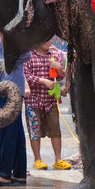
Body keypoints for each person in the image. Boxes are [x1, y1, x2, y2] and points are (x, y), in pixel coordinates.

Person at [0, 32, 31, 186]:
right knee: (15, 132)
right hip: (1, 87)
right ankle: (19, 173)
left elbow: (25, 55)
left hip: (11, 87)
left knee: (7, 131)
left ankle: (4, 173)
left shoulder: (12, 31)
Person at [23, 38, 71, 170]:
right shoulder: (29, 55)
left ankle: (58, 159)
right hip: (33, 100)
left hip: (50, 101)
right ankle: (37, 159)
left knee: (55, 129)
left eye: (51, 39)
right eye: (46, 39)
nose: (49, 42)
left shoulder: (54, 55)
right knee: (34, 130)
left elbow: (60, 77)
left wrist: (59, 69)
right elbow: (26, 75)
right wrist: (44, 81)